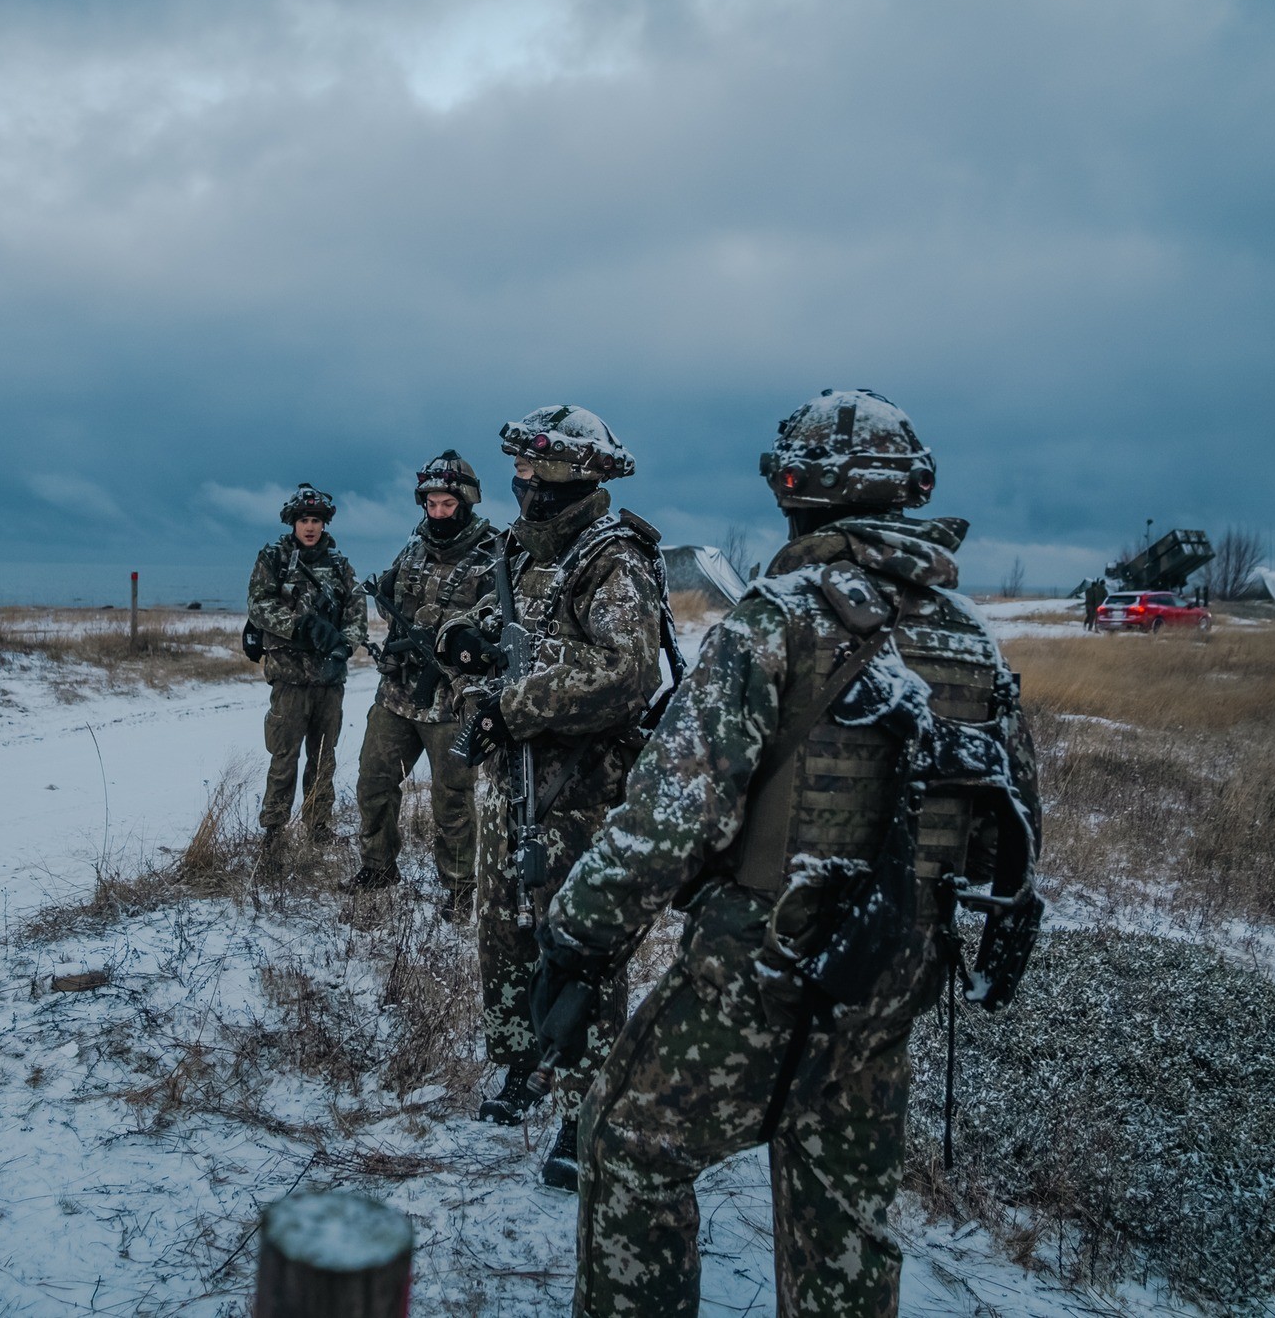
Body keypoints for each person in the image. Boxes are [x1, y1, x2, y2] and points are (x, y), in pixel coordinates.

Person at [530, 389, 1043, 1315]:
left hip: (759, 969)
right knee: (844, 1218)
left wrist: (577, 934)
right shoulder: (969, 637)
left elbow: (668, 816)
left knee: (630, 1145)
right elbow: (1009, 829)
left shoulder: (780, 618)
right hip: (889, 977)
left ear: (795, 491)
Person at [436, 405, 680, 1191]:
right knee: (504, 931)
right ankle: (523, 1063)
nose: (522, 486)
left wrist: (516, 703)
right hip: (511, 782)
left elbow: (626, 672)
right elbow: (483, 632)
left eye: (534, 474)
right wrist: (464, 656)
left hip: (581, 790)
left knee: (576, 946)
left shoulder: (613, 559)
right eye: (518, 472)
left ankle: (586, 1104)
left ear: (571, 480)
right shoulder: (518, 554)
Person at [348, 451, 498, 915]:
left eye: (447, 505)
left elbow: (499, 625)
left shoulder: (494, 554)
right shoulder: (413, 547)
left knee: (451, 799)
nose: (438, 513)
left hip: (452, 700)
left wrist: (460, 635)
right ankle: (378, 866)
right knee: (373, 783)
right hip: (397, 694)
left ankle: (459, 887)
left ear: (466, 502)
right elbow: (389, 603)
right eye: (431, 504)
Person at [246, 483, 366, 859]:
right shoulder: (274, 558)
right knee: (284, 757)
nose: (310, 527)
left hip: (329, 679)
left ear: (324, 523)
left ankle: (318, 827)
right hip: (289, 677)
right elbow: (258, 605)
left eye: (315, 520)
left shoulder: (341, 566)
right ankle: (274, 830)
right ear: (293, 523)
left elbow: (357, 615)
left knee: (323, 757)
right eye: (303, 520)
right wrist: (299, 626)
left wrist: (343, 647)